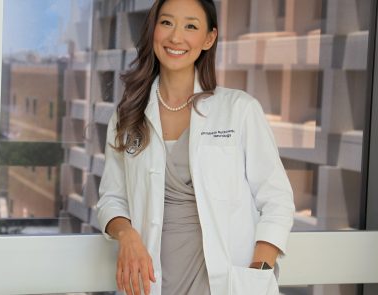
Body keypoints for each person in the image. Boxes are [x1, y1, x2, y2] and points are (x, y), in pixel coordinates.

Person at [96, 0, 295, 294]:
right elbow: (111, 199)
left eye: (190, 26)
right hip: (152, 282)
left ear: (208, 38)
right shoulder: (128, 116)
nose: (176, 37)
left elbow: (277, 199)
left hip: (225, 283)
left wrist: (259, 272)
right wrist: (126, 235)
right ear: (153, 30)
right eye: (166, 23)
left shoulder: (238, 109)